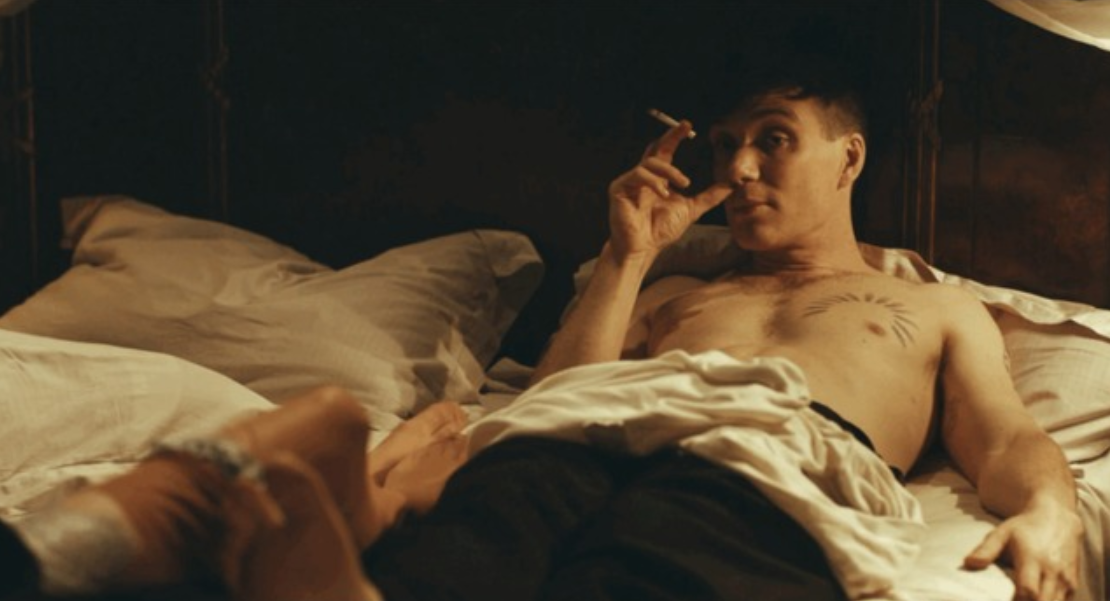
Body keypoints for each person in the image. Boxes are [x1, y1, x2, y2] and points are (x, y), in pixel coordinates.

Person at [360, 64, 1081, 601]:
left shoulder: (937, 308)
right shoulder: (672, 294)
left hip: (767, 461)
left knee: (651, 567)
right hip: (586, 442)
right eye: (725, 145)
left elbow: (1004, 438)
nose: (739, 169)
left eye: (775, 139)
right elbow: (553, 399)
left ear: (850, 157)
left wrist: (1053, 512)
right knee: (460, 554)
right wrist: (628, 256)